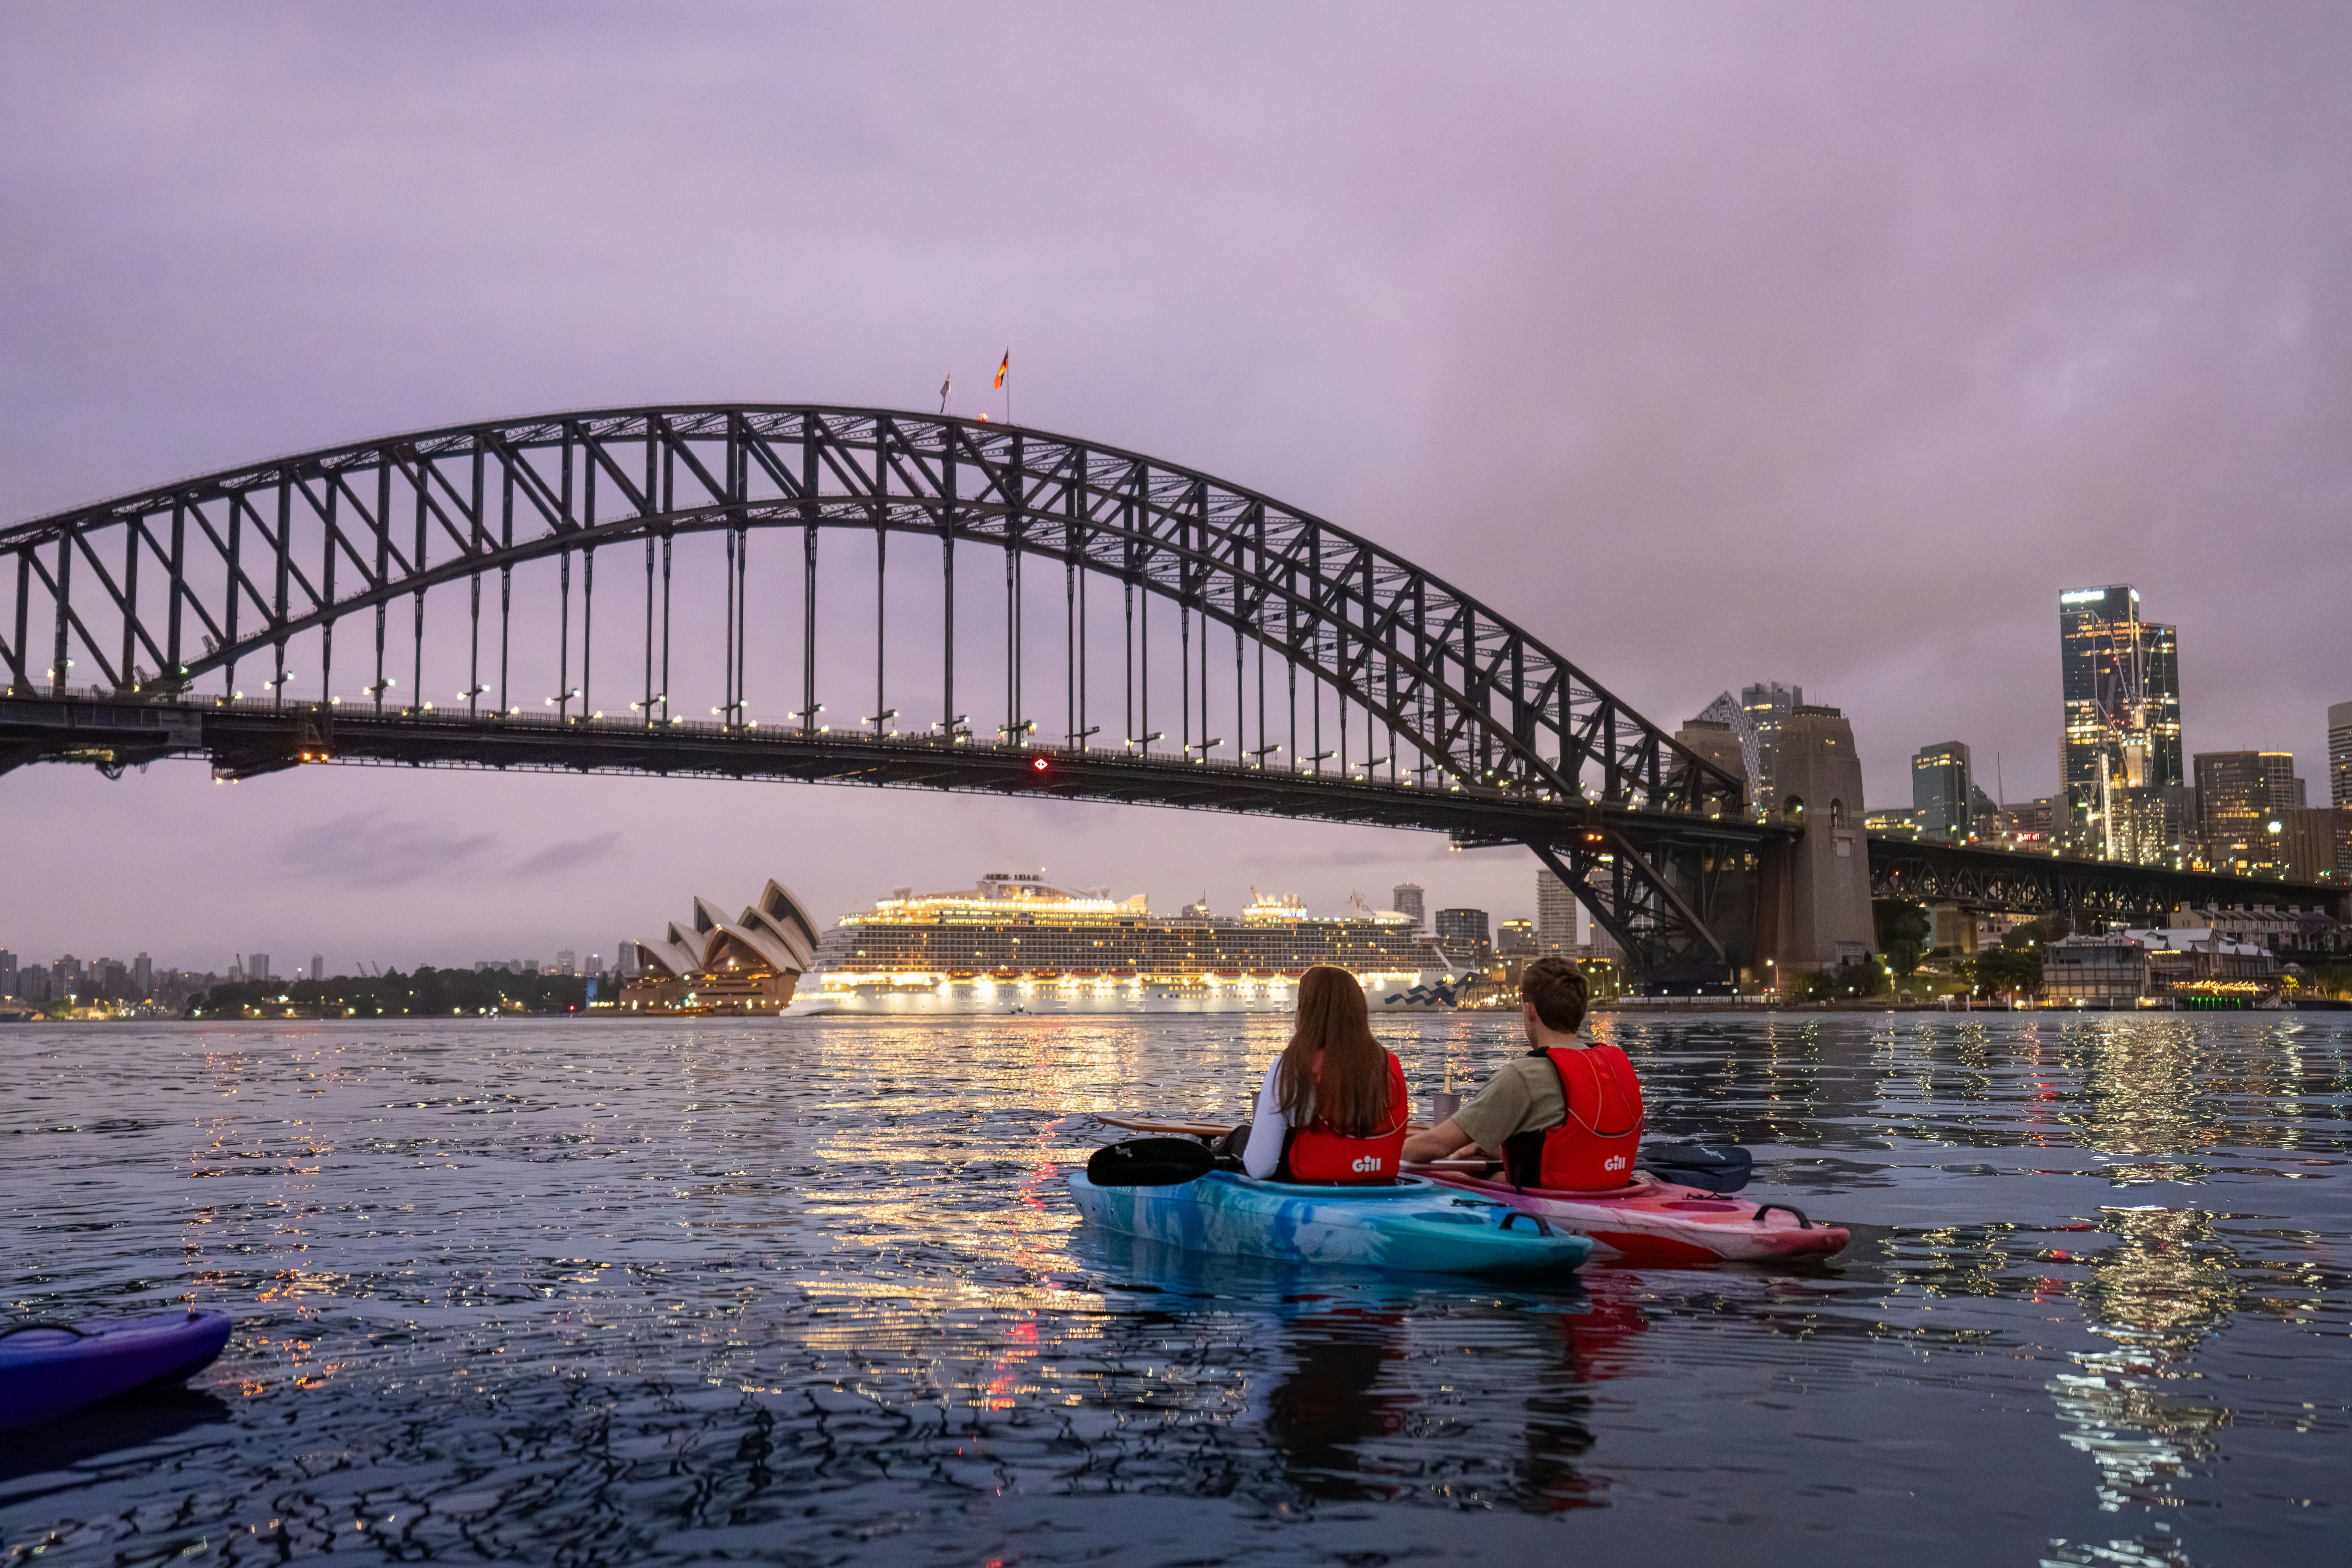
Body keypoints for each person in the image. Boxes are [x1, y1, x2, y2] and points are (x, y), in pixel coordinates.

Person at [1399, 955, 1643, 1189]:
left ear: (1530, 1010)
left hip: (1551, 1201)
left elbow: (1436, 1145)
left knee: (1447, 1174)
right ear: (1580, 1010)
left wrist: (1385, 1153)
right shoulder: (1616, 1064)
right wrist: (1494, 1149)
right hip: (1614, 1186)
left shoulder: (1524, 1075)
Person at [1230, 964, 1411, 1183]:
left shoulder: (1290, 1067)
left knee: (1238, 1138)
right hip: (1382, 1185)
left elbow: (1260, 1169)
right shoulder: (1389, 1065)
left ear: (1307, 1013)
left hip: (1312, 1190)